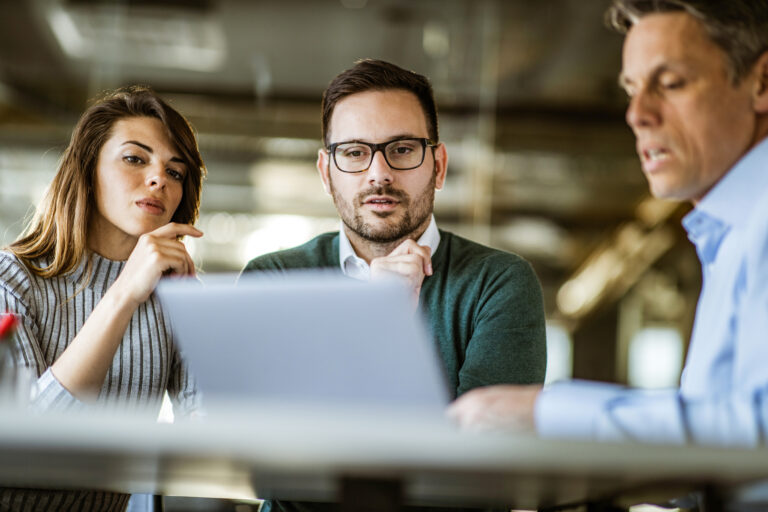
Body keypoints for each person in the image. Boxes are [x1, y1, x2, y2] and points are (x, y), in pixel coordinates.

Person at [449, 0, 768, 447]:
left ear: (762, 82)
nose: (637, 115)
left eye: (671, 83)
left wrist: (548, 415)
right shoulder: (728, 235)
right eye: (631, 90)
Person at [243, 59, 547, 511]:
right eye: (354, 152)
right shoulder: (274, 281)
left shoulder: (499, 284)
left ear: (438, 166)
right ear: (327, 173)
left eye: (402, 149)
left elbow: (480, 473)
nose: (378, 174)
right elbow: (274, 470)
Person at [0, 86, 206, 511]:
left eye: (176, 172)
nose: (158, 179)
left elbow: (212, 434)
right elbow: (31, 447)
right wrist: (125, 292)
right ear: (87, 167)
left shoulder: (175, 294)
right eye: (135, 158)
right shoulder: (10, 278)